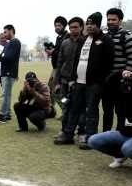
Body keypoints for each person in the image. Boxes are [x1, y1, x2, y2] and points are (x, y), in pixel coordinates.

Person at [54, 12, 115, 149]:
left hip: (94, 84)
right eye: (88, 24)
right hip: (78, 82)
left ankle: (89, 138)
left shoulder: (106, 40)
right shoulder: (83, 40)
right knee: (73, 109)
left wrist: (100, 82)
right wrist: (72, 79)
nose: (89, 26)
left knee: (91, 111)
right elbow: (76, 61)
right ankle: (68, 134)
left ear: (98, 24)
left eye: (92, 24)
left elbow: (109, 64)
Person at [88, 69, 132, 175]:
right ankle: (121, 155)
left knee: (128, 148)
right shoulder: (129, 93)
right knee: (93, 140)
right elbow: (108, 83)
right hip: (123, 133)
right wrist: (121, 73)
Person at [102, 8, 132, 132]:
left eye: (114, 19)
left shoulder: (126, 35)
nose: (111, 22)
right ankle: (106, 133)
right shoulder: (104, 35)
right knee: (107, 109)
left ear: (120, 21)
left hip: (120, 80)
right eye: (109, 19)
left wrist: (126, 77)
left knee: (120, 110)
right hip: (107, 80)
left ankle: (120, 133)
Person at [54, 17, 86, 143]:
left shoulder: (86, 43)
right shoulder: (65, 43)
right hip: (64, 83)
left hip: (80, 82)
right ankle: (65, 130)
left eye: (76, 27)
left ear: (81, 27)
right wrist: (57, 82)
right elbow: (60, 62)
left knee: (81, 108)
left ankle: (81, 132)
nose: (73, 30)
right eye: (71, 27)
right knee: (65, 105)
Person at [0, 24, 21, 123]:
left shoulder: (15, 42)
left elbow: (9, 58)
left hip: (9, 72)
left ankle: (2, 115)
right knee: (7, 94)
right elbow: (4, 56)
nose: (4, 35)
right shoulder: (9, 43)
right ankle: (7, 114)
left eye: (5, 32)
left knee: (4, 94)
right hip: (5, 72)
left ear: (11, 31)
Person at [46, 16, 69, 114]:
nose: (57, 27)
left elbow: (63, 52)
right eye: (55, 25)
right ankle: (55, 109)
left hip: (62, 68)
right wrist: (52, 49)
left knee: (58, 92)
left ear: (64, 26)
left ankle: (66, 109)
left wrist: (53, 51)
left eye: (59, 25)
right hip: (55, 67)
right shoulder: (58, 37)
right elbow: (57, 50)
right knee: (51, 88)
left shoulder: (67, 36)